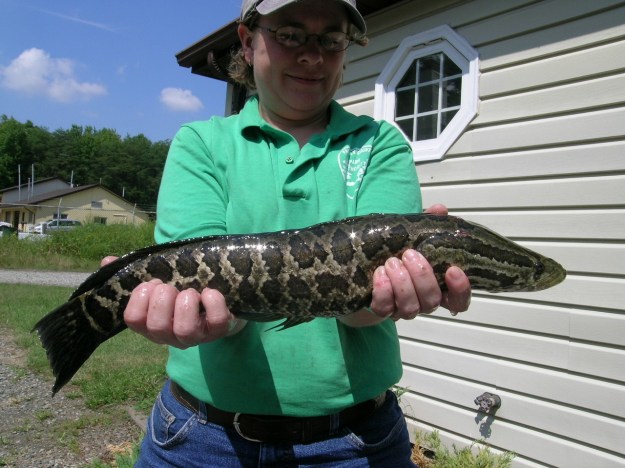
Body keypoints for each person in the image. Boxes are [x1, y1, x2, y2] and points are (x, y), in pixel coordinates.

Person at [106, 0, 471, 465]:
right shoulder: (201, 144)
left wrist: (390, 295)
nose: (312, 55)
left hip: (357, 444)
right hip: (202, 440)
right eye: (291, 35)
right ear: (247, 40)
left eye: (331, 40)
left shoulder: (380, 144)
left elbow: (361, 312)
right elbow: (223, 311)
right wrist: (198, 315)